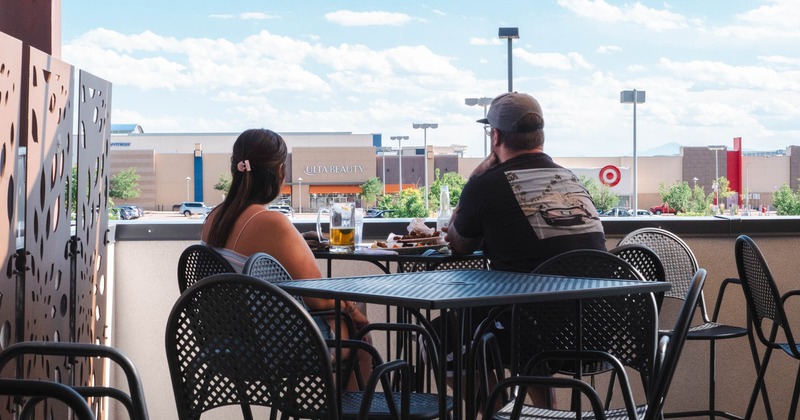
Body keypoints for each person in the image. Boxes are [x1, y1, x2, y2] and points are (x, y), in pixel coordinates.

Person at [443, 92, 607, 407]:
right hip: (598, 328)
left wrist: (478, 174)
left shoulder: (487, 185)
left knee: (443, 337)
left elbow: (458, 244)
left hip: (536, 331)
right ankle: (546, 414)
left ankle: (498, 413)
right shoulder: (570, 179)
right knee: (525, 314)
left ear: (496, 136)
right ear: (540, 137)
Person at [200, 128, 370, 343]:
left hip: (227, 341)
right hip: (276, 345)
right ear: (280, 171)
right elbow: (317, 297)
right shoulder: (272, 222)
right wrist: (353, 309)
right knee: (361, 341)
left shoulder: (212, 218)